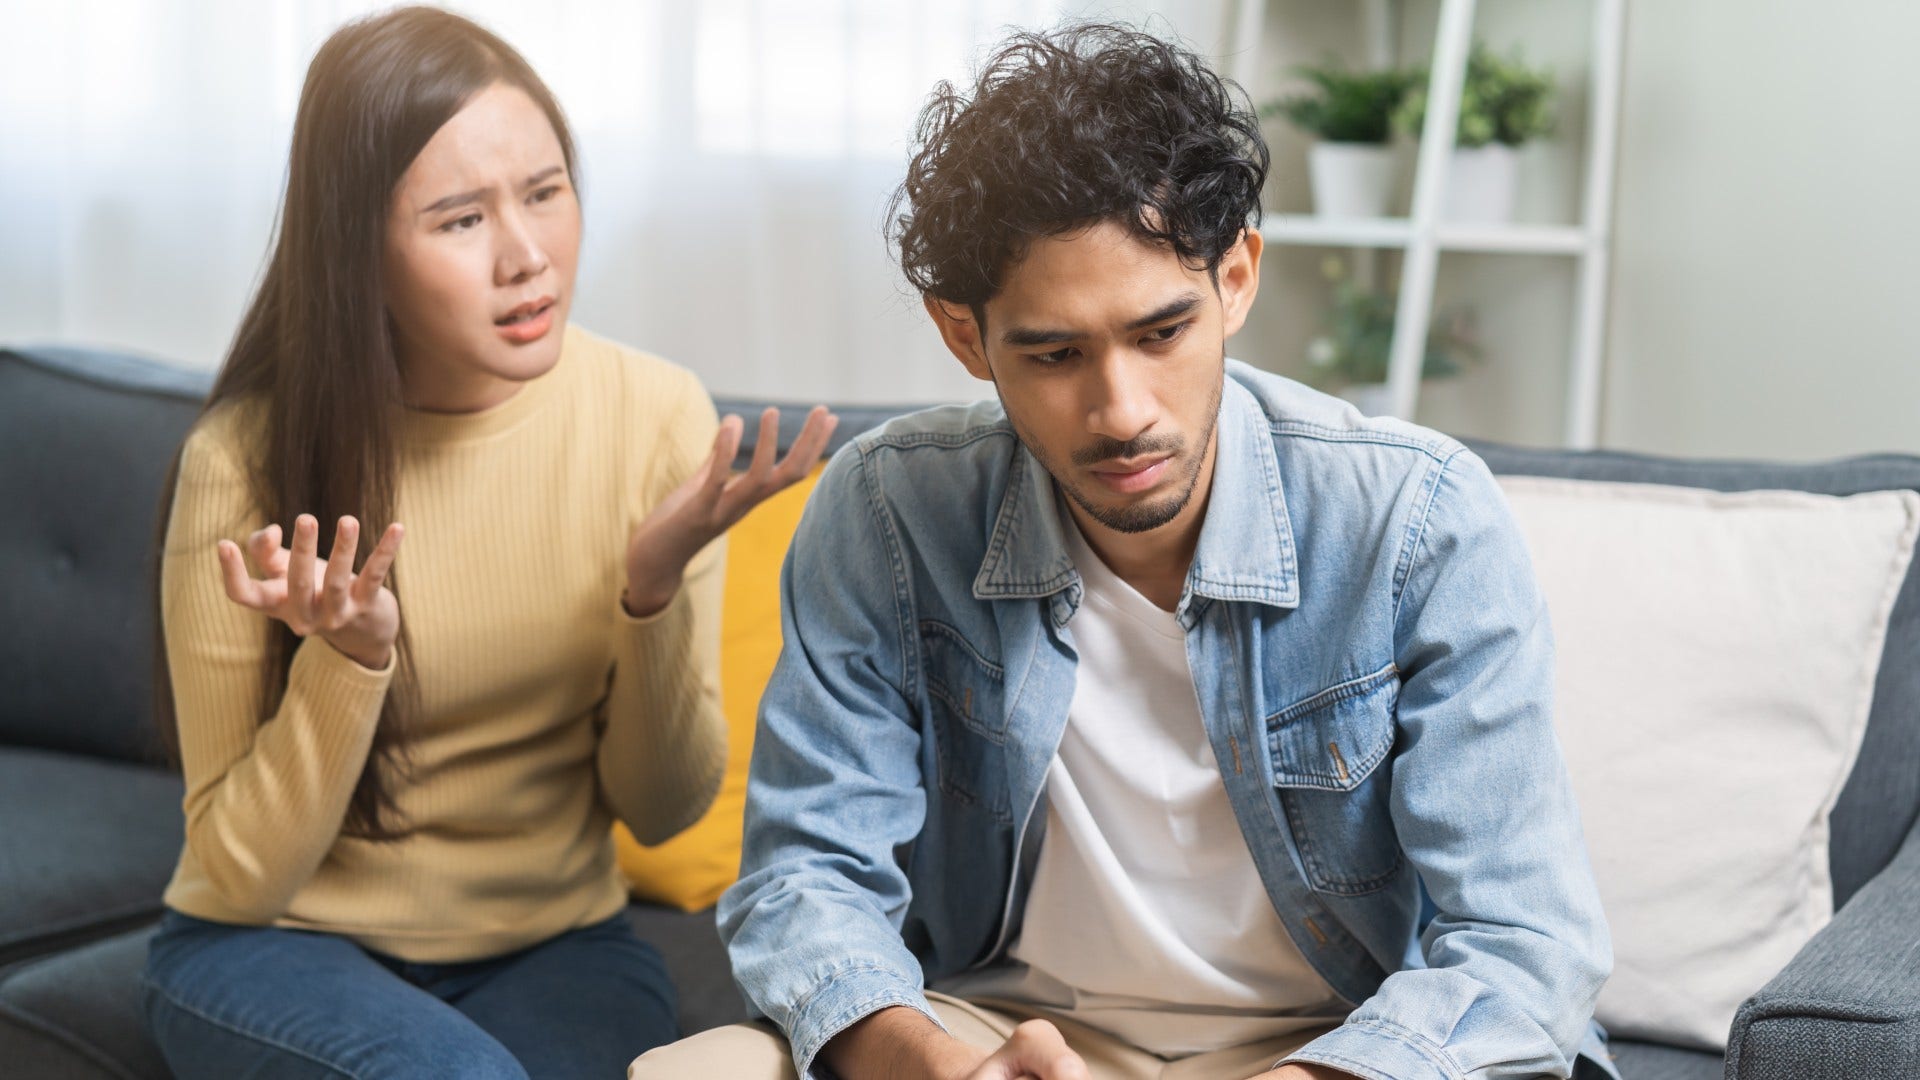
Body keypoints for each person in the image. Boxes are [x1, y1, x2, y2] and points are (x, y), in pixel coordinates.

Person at [633, 22, 1617, 1080]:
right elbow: (805, 880)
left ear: (1236, 276)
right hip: (1004, 1034)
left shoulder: (1419, 521)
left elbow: (1525, 947)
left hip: (1338, 1046)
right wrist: (941, 1068)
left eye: (1162, 334)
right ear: (964, 336)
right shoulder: (886, 510)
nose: (1121, 412)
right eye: (1055, 354)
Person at [141, 8, 834, 1079]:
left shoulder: (656, 418)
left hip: (557, 947)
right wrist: (353, 657)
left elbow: (663, 810)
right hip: (272, 948)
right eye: (460, 220)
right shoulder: (245, 459)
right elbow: (235, 881)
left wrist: (650, 595)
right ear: (358, 249)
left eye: (546, 193)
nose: (528, 256)